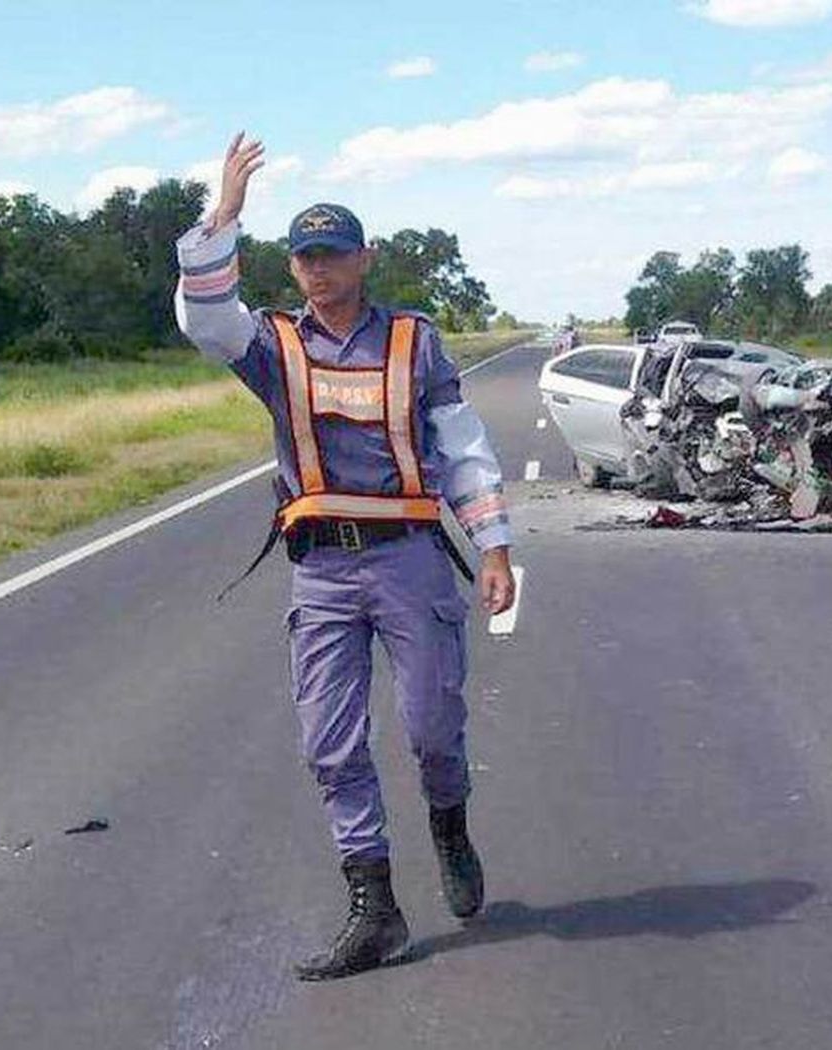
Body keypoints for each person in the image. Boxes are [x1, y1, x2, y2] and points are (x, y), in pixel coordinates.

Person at [174, 133, 516, 981]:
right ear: (290, 270)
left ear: (363, 259)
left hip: (409, 559)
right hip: (322, 569)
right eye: (304, 257)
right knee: (331, 744)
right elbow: (204, 319)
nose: (318, 269)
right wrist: (223, 217)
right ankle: (375, 906)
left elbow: (461, 444)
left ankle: (449, 822)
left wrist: (496, 545)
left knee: (433, 724)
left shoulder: (412, 343)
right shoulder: (273, 346)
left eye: (332, 254)